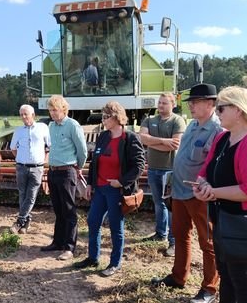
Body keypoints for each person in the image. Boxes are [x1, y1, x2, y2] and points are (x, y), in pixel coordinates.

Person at [193, 86, 247, 303]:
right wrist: (201, 185)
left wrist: (212, 192)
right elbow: (206, 170)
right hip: (222, 219)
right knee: (226, 276)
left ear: (238, 110)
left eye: (221, 108)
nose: (217, 113)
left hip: (243, 223)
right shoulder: (223, 139)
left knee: (243, 281)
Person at [151, 84, 222, 303]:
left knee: (208, 243)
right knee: (180, 236)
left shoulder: (217, 130)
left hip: (200, 195)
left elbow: (215, 166)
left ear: (210, 103)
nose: (190, 104)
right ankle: (179, 276)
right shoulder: (192, 125)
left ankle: (210, 288)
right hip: (180, 192)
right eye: (190, 101)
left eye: (196, 101)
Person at [73, 101, 145, 277]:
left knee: (115, 226)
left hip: (116, 190)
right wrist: (90, 183)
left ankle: (115, 263)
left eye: (106, 117)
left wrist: (120, 182)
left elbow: (139, 165)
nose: (103, 120)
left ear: (116, 117)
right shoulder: (103, 136)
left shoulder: (129, 138)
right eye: (103, 116)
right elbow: (94, 163)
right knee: (93, 221)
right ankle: (93, 257)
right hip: (100, 189)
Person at [41, 95, 88, 261]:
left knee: (69, 211)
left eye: (55, 109)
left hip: (67, 172)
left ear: (63, 109)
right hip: (53, 172)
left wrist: (78, 167)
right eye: (50, 110)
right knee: (58, 210)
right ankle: (58, 242)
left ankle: (69, 247)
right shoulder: (51, 126)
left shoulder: (73, 125)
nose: (52, 113)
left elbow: (82, 151)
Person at [139, 93, 186, 252]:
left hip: (170, 170)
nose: (160, 105)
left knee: (171, 206)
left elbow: (175, 144)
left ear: (172, 104)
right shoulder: (149, 120)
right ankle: (161, 233)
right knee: (158, 203)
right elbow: (143, 139)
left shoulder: (177, 121)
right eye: (159, 102)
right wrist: (164, 141)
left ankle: (173, 241)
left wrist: (154, 142)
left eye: (164, 103)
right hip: (153, 169)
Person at [9, 104, 50, 234]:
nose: (23, 117)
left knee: (31, 195)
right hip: (21, 167)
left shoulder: (43, 128)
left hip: (37, 168)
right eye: (21, 114)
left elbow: (49, 146)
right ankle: (26, 223)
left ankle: (19, 221)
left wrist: (45, 160)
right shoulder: (18, 131)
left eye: (26, 114)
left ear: (33, 115)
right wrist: (21, 159)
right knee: (22, 194)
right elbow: (13, 148)